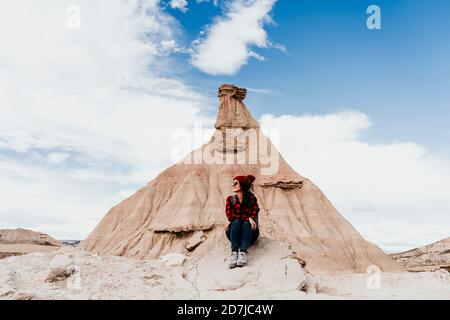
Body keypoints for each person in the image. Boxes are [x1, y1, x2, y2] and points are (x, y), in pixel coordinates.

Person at [225, 175, 260, 268]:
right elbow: (230, 216)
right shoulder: (230, 199)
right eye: (232, 183)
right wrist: (248, 217)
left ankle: (242, 253)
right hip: (234, 234)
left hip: (250, 234)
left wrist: (248, 219)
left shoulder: (252, 199)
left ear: (242, 184)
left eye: (235, 183)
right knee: (236, 222)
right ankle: (234, 253)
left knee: (245, 223)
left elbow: (255, 211)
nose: (233, 185)